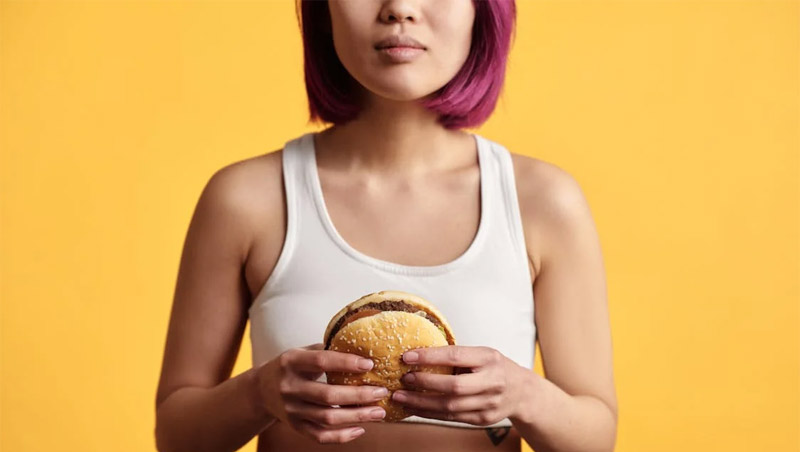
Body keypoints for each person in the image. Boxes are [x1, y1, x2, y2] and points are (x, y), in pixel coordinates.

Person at [154, 0, 618, 451]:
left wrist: (522, 396)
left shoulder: (542, 202)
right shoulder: (246, 199)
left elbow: (595, 436)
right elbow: (176, 434)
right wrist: (259, 394)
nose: (400, 8)